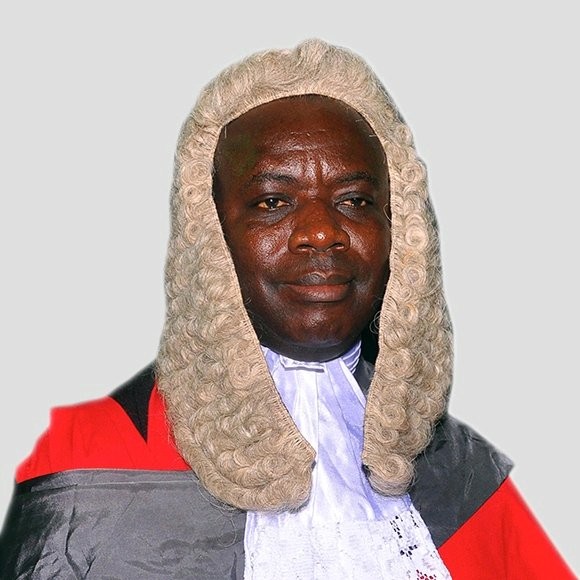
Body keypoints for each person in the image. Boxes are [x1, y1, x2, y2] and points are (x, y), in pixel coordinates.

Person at [0, 39, 574, 579]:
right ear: (209, 235)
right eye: (273, 202)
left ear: (400, 229)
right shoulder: (86, 457)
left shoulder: (459, 468)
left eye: (355, 200)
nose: (322, 232)